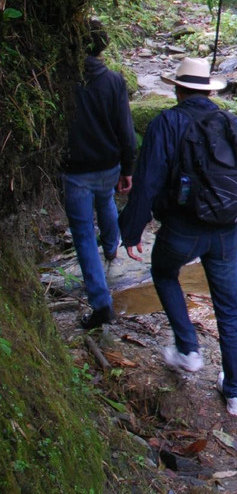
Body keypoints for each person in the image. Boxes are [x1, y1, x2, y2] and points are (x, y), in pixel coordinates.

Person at [119, 56, 237, 417]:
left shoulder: (167, 123)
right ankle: (235, 395)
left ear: (177, 88)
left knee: (165, 272)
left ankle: (188, 348)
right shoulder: (233, 123)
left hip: (183, 229)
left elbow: (149, 180)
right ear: (208, 91)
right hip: (227, 233)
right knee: (229, 311)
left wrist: (132, 230)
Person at [63, 19, 136, 329]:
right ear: (103, 47)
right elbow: (126, 131)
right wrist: (128, 168)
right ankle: (111, 245)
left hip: (75, 169)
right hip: (108, 164)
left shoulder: (64, 80)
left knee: (82, 236)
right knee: (106, 199)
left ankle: (101, 303)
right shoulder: (114, 82)